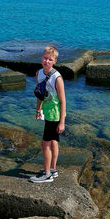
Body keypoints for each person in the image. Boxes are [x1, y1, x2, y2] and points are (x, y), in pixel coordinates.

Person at [30, 45, 66, 183]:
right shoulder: (39, 73)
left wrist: (62, 121)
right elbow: (40, 93)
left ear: (55, 61)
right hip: (46, 112)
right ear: (41, 58)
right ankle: (53, 169)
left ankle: (47, 175)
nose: (47, 61)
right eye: (45, 58)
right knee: (53, 141)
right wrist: (38, 109)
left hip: (55, 114)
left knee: (45, 143)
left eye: (50, 59)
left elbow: (63, 101)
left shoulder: (57, 78)